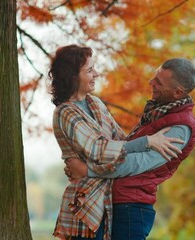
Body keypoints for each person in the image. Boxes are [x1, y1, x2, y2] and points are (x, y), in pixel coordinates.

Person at [49, 44, 185, 240]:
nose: (96, 74)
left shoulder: (95, 103)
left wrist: (154, 138)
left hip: (108, 199)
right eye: (89, 70)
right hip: (85, 203)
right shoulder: (65, 112)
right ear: (72, 76)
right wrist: (147, 141)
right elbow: (98, 150)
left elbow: (121, 141)